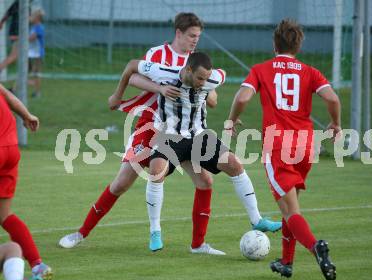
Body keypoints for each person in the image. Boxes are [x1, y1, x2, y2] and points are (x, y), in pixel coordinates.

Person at [59, 12, 280, 254]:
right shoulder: (158, 56)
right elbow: (134, 74)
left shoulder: (198, 64)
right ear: (178, 33)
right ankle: (81, 233)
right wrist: (157, 89)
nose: (195, 40)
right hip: (151, 126)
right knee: (122, 183)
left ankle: (199, 245)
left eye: (198, 36)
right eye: (191, 36)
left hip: (187, 132)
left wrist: (205, 89)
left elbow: (213, 98)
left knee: (205, 180)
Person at [111, 51, 279, 255]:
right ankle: (155, 231)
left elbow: (221, 78)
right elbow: (131, 65)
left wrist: (229, 116)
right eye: (200, 78)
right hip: (170, 135)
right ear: (188, 70)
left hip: (199, 135)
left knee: (234, 164)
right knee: (156, 172)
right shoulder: (163, 73)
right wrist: (122, 95)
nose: (203, 82)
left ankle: (257, 220)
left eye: (207, 79)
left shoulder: (212, 78)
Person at [226, 19, 339, 280]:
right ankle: (287, 262)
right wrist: (336, 123)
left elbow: (243, 97)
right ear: (298, 45)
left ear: (274, 43)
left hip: (278, 145)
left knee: (290, 210)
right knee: (291, 205)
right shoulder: (310, 71)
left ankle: (316, 247)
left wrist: (231, 120)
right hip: (306, 145)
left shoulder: (262, 69)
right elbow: (332, 98)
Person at [0, 84, 53, 280]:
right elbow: (10, 98)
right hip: (11, 148)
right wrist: (27, 116)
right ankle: (38, 265)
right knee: (4, 215)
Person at [28, 8, 45, 98]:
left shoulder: (39, 27)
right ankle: (31, 87)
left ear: (37, 18)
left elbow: (31, 38)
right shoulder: (33, 27)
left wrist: (18, 38)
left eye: (32, 16)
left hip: (38, 53)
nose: (30, 17)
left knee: (36, 73)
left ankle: (37, 92)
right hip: (31, 53)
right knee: (32, 72)